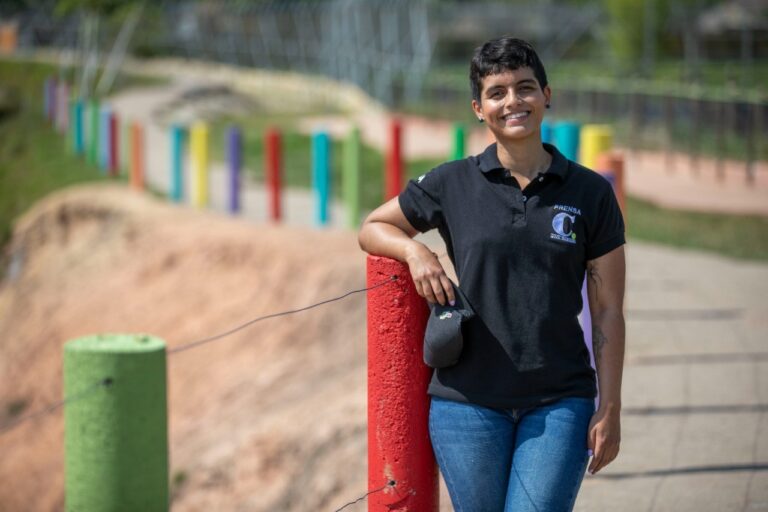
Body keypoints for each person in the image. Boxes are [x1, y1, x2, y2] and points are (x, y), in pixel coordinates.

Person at [358, 36, 625, 511]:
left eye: (524, 88)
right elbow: (373, 226)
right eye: (497, 93)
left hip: (560, 400)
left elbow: (607, 312)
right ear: (479, 108)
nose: (512, 102)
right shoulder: (450, 182)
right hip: (467, 402)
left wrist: (610, 406)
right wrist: (416, 253)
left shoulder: (590, 193)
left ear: (547, 94)